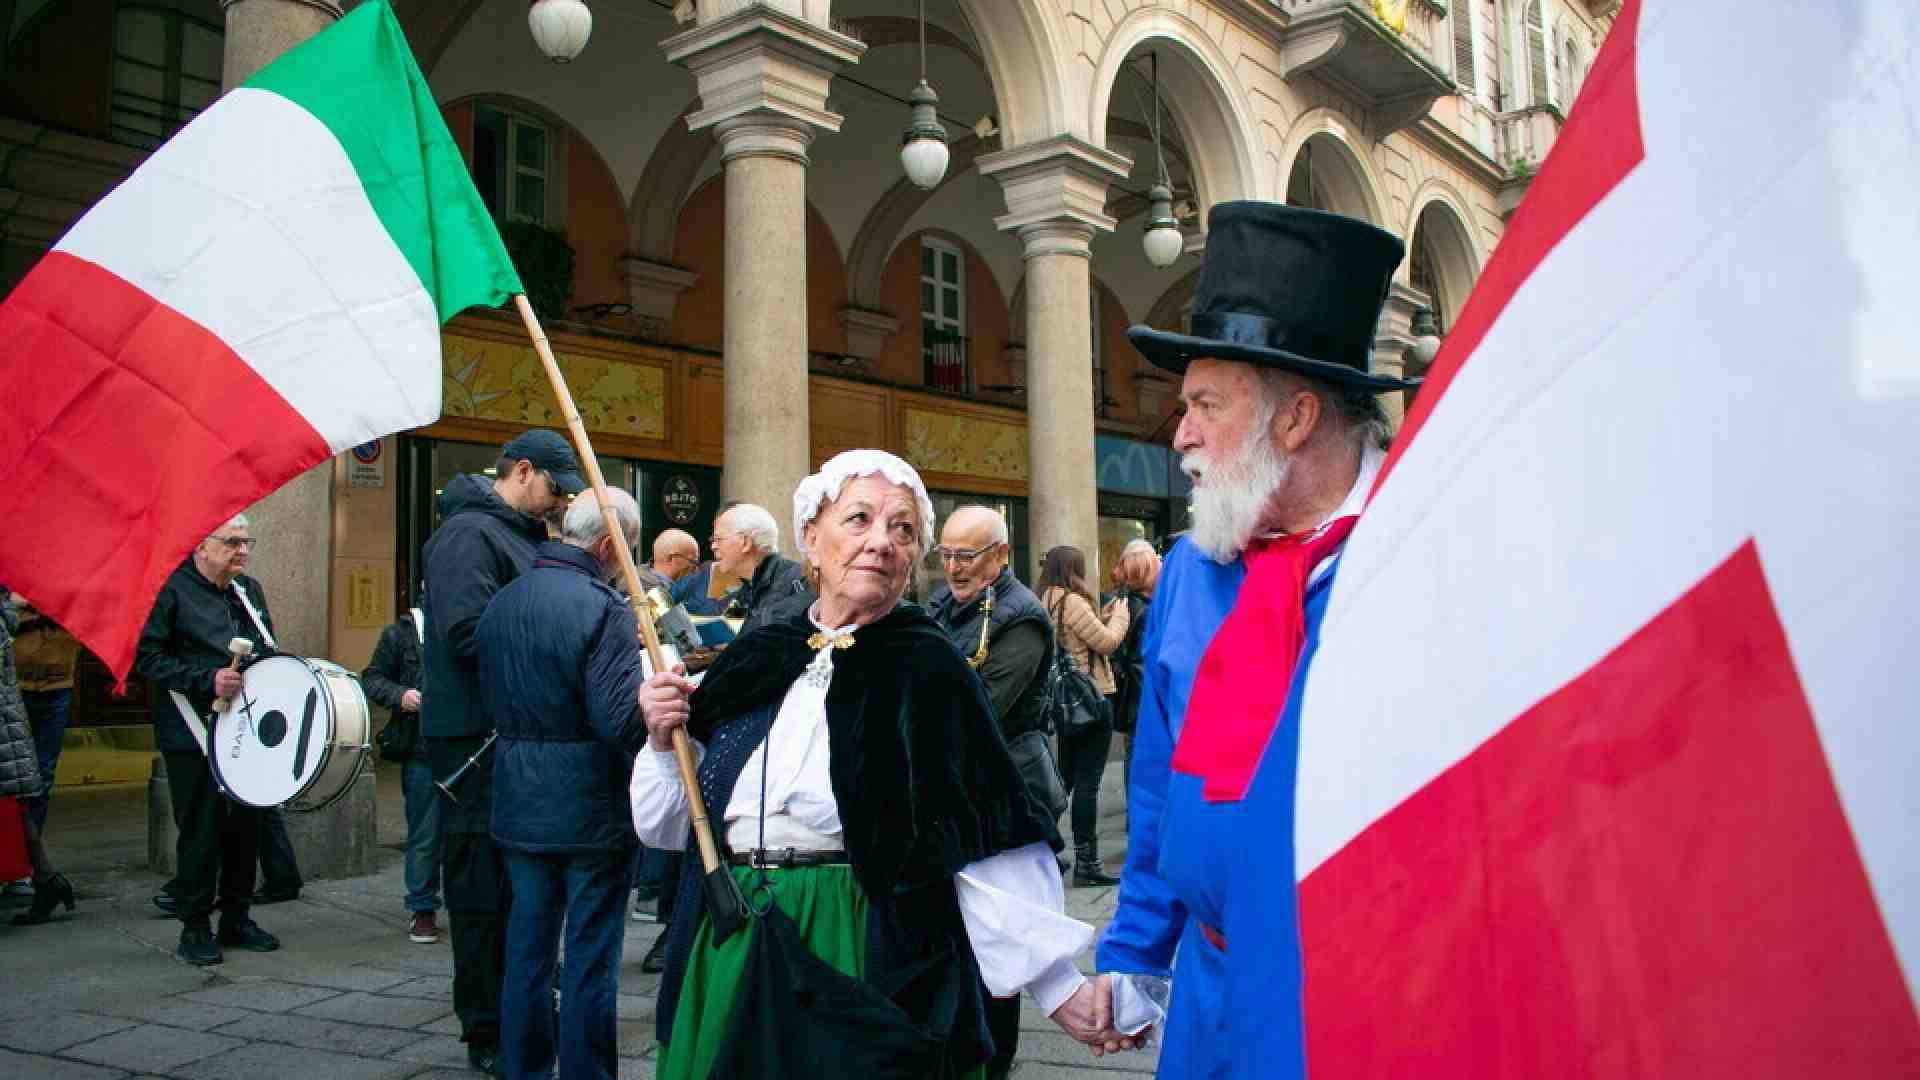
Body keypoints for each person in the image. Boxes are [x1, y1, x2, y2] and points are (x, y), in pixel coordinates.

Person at [632, 449, 1120, 1079]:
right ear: (810, 538)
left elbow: (984, 834)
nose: (881, 543)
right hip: (735, 932)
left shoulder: (928, 667)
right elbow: (668, 826)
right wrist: (660, 737)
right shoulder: (761, 655)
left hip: (862, 939)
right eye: (858, 519)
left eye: (903, 530)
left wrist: (1057, 987)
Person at [1091, 202, 1417, 1077]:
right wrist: (1133, 952)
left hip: (1366, 997)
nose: (1181, 434)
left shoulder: (1424, 556)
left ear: (1296, 418)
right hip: (1210, 991)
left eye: (1204, 404)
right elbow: (1161, 788)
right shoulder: (1191, 572)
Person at [422, 429, 582, 1077]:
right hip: (475, 742)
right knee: (481, 893)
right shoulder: (468, 536)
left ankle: (525, 1005)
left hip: (519, 735)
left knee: (524, 890)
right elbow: (468, 631)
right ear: (522, 471)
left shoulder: (525, 534)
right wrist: (557, 637)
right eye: (556, 488)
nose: (562, 502)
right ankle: (485, 1026)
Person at [477, 487, 649, 1080]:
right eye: (627, 550)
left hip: (519, 794)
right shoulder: (605, 608)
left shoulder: (504, 601)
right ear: (608, 546)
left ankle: (524, 1068)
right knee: (590, 956)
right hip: (590, 806)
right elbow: (615, 718)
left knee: (526, 948)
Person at [923, 504, 1058, 1080]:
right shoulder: (942, 604)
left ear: (1001, 555)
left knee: (998, 951)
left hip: (1007, 797)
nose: (953, 567)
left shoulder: (1019, 617)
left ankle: (993, 1062)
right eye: (946, 554)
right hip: (952, 791)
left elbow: (980, 709)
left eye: (966, 556)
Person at [135, 514, 281, 965]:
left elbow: (268, 649)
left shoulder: (247, 591)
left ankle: (236, 917)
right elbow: (147, 659)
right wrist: (206, 679)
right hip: (190, 732)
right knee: (200, 831)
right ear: (200, 546)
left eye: (247, 542)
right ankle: (195, 925)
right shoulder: (170, 589)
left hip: (243, 729)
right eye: (232, 542)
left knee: (245, 828)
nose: (243, 551)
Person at [1038, 545, 1129, 888]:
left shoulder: (1046, 598)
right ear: (1072, 568)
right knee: (1087, 785)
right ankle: (1087, 862)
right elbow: (1107, 644)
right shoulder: (1072, 601)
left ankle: (1042, 847)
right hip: (1091, 699)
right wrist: (1119, 618)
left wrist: (1099, 616)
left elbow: (1076, 638)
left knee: (1066, 779)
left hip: (1064, 702)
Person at [362, 596, 440, 945]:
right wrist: (401, 695)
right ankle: (422, 907)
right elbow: (372, 678)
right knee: (425, 832)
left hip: (469, 747)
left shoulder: (474, 620)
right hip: (422, 749)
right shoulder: (401, 633)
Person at [2, 614, 75, 926]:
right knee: (14, 792)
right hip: (15, 690)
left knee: (24, 788)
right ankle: (44, 876)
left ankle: (37, 875)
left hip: (29, 693)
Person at [8, 597, 79, 839]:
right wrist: (18, 604)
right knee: (11, 773)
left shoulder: (70, 582)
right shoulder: (10, 580)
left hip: (59, 684)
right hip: (14, 686)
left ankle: (31, 856)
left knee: (43, 774)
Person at [1109, 539, 1161, 802]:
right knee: (1141, 753)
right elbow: (1141, 662)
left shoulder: (1123, 602)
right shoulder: (1147, 610)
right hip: (1141, 695)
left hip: (1127, 692)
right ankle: (1136, 812)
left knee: (1133, 751)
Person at [711, 502, 809, 632]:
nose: (713, 547)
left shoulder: (801, 581)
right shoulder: (741, 595)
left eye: (718, 539)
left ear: (745, 542)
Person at [635, 528, 699, 595]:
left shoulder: (635, 576)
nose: (696, 570)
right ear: (672, 558)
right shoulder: (641, 590)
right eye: (693, 562)